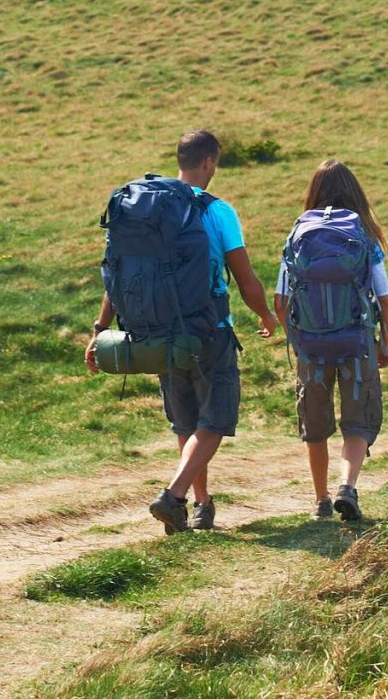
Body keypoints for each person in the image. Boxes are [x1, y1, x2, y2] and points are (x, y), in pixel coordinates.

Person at [86, 128, 276, 532]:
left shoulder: (146, 210)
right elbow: (244, 278)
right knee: (215, 419)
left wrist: (101, 328)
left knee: (185, 421)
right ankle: (174, 496)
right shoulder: (215, 211)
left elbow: (117, 275)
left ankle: (200, 504)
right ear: (209, 162)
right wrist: (265, 315)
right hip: (208, 330)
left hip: (157, 330)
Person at [276, 159, 388, 523]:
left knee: (316, 423)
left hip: (311, 344)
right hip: (356, 341)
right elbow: (385, 299)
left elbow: (281, 300)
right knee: (358, 420)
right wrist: (385, 342)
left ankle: (321, 500)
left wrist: (297, 339)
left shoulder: (298, 234)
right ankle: (348, 486)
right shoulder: (365, 237)